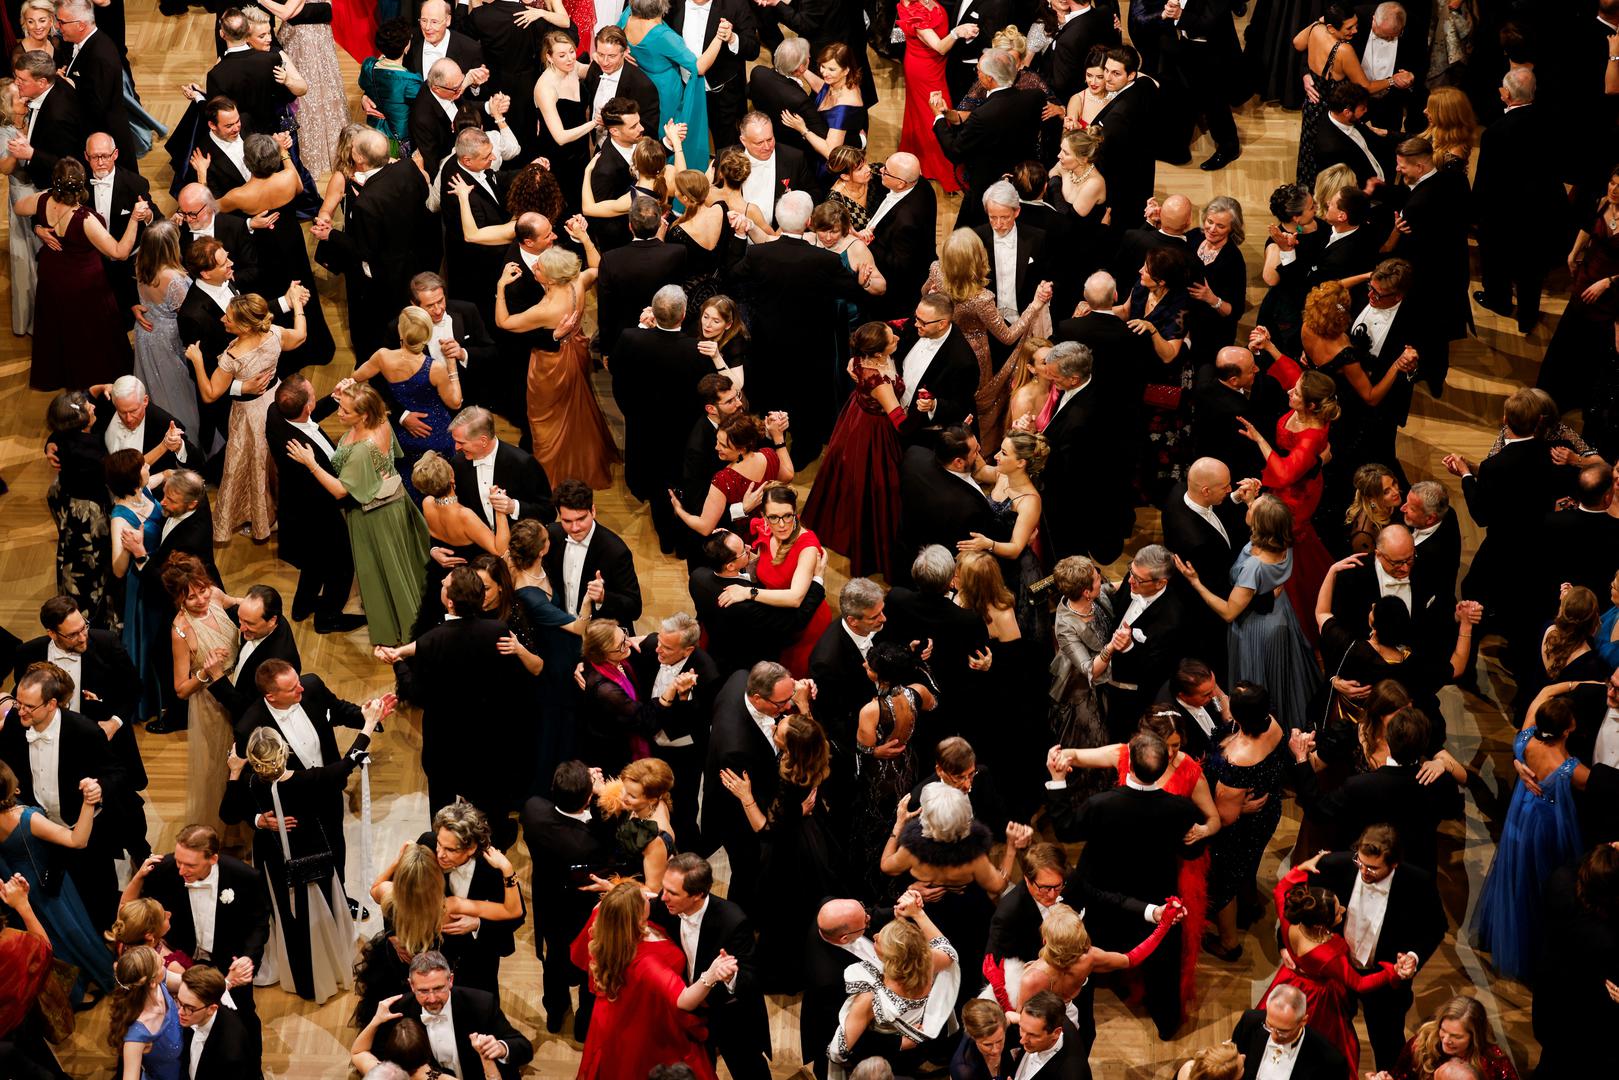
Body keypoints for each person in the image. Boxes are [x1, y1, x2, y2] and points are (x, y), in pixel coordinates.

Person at [285, 381, 430, 646]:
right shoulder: (381, 420)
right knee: (397, 565)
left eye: (345, 411)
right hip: (394, 503)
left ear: (363, 415)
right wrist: (350, 395)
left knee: (382, 570)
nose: (339, 413)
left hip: (373, 516)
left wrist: (311, 463)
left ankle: (399, 626)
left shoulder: (363, 449)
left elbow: (340, 491)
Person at [1265, 849, 1418, 1080]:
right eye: (1338, 913)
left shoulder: (1290, 919)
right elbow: (1360, 984)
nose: (1343, 911)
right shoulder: (1326, 956)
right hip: (1317, 999)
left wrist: (1303, 866)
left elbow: (1281, 888)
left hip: (1289, 980)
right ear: (1321, 926)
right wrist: (1392, 973)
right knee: (1327, 1048)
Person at [1307, 826, 1448, 1072]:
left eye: (1372, 868)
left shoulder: (1418, 882)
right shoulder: (1333, 866)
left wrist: (1413, 957)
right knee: (1327, 1038)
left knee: (1388, 1047)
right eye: (1360, 862)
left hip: (1385, 980)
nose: (1363, 872)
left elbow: (1435, 927)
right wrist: (1285, 947)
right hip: (1337, 972)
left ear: (1394, 864)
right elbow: (1302, 907)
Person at [1175, 495, 1322, 728]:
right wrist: (1249, 501)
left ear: (1260, 524)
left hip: (1257, 629)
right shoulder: (1283, 541)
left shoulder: (1254, 567)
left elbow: (1229, 612)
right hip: (1280, 614)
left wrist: (1196, 583)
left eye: (1254, 506)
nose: (1250, 505)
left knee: (1258, 684)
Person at [1471, 695, 1589, 982]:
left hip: (1521, 814)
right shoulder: (1571, 769)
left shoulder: (1524, 740)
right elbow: (1604, 786)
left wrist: (1516, 763)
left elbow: (1540, 697)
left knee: (1516, 876)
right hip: (1547, 828)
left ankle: (1504, 934)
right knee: (1539, 884)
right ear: (1568, 730)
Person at [570, 879, 737, 1080]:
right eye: (644, 897)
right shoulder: (647, 963)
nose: (651, 896)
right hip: (651, 1020)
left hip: (622, 1011)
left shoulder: (607, 921)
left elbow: (619, 905)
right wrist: (712, 974)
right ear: (636, 914)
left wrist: (618, 892)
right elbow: (684, 1000)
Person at [186, 291, 308, 542]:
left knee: (254, 466)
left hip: (251, 416)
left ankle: (265, 519)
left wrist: (197, 361)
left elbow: (209, 394)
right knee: (273, 463)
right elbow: (300, 336)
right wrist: (297, 305)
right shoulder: (274, 333)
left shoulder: (232, 357)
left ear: (244, 325)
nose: (223, 320)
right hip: (276, 402)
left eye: (228, 318)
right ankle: (277, 512)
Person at [495, 248, 621, 490]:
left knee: (545, 419)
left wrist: (501, 287)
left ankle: (549, 472)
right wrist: (585, 239)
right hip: (576, 350)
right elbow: (598, 269)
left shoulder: (546, 310)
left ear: (552, 279)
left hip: (551, 367)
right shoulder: (577, 281)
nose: (534, 267)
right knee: (572, 411)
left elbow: (504, 322)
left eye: (539, 268)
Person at [22, 156, 150, 390]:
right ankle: (90, 379)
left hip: (52, 276)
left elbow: (18, 207)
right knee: (89, 332)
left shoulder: (42, 199)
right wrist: (134, 219)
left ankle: (62, 374)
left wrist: (39, 227)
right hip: (83, 283)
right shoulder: (84, 218)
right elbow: (120, 252)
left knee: (59, 326)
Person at [924, 229, 1053, 451]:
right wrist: (1035, 305)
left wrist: (935, 294)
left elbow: (925, 293)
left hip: (943, 343)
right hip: (975, 354)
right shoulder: (981, 298)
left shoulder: (936, 270)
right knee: (977, 401)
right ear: (977, 258)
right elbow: (1007, 337)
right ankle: (979, 447)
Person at [802, 322, 908, 577]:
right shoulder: (879, 382)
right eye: (891, 339)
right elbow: (899, 422)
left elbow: (893, 327)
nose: (896, 337)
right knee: (874, 482)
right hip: (874, 431)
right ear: (879, 353)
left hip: (856, 417)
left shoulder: (860, 359)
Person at [0, 759, 110, 1002]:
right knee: (72, 932)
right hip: (46, 885)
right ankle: (92, 979)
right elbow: (77, 840)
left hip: (15, 891)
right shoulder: (25, 818)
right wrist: (88, 803)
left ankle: (69, 992)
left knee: (44, 940)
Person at [828, 891, 961, 1078]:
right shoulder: (926, 963)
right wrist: (918, 914)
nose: (874, 935)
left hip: (885, 1058)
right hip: (918, 1048)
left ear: (891, 959)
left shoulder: (870, 995)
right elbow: (947, 949)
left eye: (879, 941)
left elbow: (838, 1050)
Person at [1201, 682, 1288, 961]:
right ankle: (1248, 903)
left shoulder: (1237, 758)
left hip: (1239, 826)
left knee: (1222, 882)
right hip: (1268, 811)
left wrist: (1240, 807)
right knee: (1247, 863)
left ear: (1238, 718)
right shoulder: (1272, 724)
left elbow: (1224, 817)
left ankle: (1229, 944)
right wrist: (1215, 688)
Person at [162, 556, 246, 840]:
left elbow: (240, 603)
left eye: (203, 590)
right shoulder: (181, 630)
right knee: (221, 765)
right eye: (191, 597)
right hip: (212, 704)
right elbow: (180, 689)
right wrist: (205, 673)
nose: (201, 599)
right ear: (179, 599)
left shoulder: (217, 597)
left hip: (239, 686)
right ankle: (227, 833)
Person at [1293, 3, 1413, 187]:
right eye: (1349, 28)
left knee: (1310, 155)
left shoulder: (1316, 29)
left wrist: (1321, 21)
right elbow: (1365, 86)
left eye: (1356, 25)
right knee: (1333, 163)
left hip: (1312, 107)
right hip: (1333, 114)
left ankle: (1311, 193)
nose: (1355, 31)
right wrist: (1392, 80)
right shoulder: (1344, 50)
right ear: (1332, 28)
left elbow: (1297, 43)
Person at [352, 307, 463, 502]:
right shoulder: (434, 368)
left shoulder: (383, 356)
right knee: (439, 480)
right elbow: (455, 403)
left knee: (410, 479)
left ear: (401, 333)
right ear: (427, 335)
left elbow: (357, 376)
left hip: (404, 435)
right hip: (435, 432)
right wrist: (452, 366)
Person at [932, 49, 1043, 230]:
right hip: (1022, 181)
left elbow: (954, 150)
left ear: (989, 79)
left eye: (978, 70)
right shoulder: (1035, 97)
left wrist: (938, 117)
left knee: (972, 235)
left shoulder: (983, 115)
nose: (977, 73)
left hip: (987, 188)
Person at [618, 0, 715, 172]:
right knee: (667, 134)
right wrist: (719, 39)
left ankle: (645, 167)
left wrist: (623, 51)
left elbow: (616, 36)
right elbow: (699, 67)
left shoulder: (627, 15)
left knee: (647, 130)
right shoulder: (663, 36)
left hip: (639, 86)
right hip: (664, 93)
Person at [1048, 555, 1116, 757]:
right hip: (1083, 684)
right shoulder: (1065, 626)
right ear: (1086, 592)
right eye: (1097, 577)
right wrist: (1112, 647)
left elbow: (1111, 588)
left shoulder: (1095, 597)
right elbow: (1090, 670)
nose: (1101, 578)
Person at [1383, 995, 1521, 1080]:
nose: (1445, 1040)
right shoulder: (1421, 1042)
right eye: (1443, 1030)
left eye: (1456, 1036)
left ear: (1474, 1037)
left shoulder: (1492, 1059)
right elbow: (1399, 1074)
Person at [1229, 986, 1349, 1080]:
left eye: (1283, 1031)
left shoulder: (1330, 1060)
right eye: (1269, 1026)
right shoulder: (1250, 1022)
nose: (1274, 1036)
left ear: (1303, 1021)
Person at [108, 945, 184, 1080]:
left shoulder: (160, 981)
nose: (164, 961)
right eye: (161, 964)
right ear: (152, 982)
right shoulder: (137, 1035)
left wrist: (222, 981)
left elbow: (189, 983)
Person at [359, 18, 423, 152]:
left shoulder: (368, 66)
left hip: (372, 133)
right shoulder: (409, 81)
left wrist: (364, 97)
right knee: (392, 164)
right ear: (406, 46)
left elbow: (365, 86)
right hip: (396, 141)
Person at [950, 999, 1011, 1080]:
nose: (996, 1050)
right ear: (972, 1036)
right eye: (987, 1044)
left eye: (1000, 1041)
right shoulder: (965, 1071)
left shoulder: (1000, 1027)